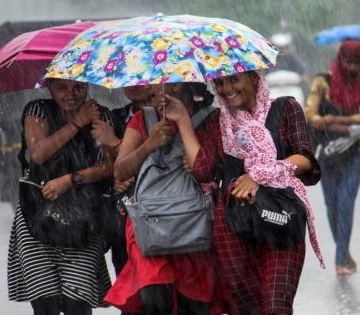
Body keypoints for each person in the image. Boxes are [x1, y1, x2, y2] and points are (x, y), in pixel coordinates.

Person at [163, 71, 323, 314]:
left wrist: (258, 175)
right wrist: (183, 120)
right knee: (245, 308)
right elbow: (202, 169)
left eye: (234, 80)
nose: (226, 88)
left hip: (281, 219)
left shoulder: (286, 108)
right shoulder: (219, 121)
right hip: (233, 227)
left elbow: (306, 160)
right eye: (219, 82)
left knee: (275, 306)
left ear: (254, 79)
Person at [103, 82, 217, 315]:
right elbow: (120, 172)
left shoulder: (210, 118)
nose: (149, 86)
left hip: (193, 226)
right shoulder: (142, 119)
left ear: (178, 84)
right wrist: (149, 145)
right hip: (149, 227)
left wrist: (185, 125)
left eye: (157, 80)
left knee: (195, 305)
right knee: (155, 302)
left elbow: (213, 169)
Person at [7, 78, 113, 315]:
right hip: (37, 219)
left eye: (79, 87)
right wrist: (76, 123)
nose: (71, 95)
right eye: (62, 88)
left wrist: (70, 180)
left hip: (86, 222)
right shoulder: (37, 110)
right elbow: (38, 154)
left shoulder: (102, 115)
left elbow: (111, 167)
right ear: (49, 87)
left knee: (78, 303)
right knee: (45, 303)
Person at [90, 85, 153, 315]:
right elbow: (107, 170)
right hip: (125, 223)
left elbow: (159, 161)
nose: (136, 84)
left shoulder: (167, 115)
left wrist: (113, 142)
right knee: (132, 299)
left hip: (164, 218)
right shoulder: (114, 117)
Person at [305, 39, 360, 276]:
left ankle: (339, 260)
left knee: (346, 202)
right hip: (327, 155)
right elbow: (311, 115)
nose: (352, 68)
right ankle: (344, 251)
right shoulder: (322, 82)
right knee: (331, 206)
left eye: (357, 63)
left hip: (355, 153)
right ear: (340, 60)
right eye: (348, 62)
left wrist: (334, 121)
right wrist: (340, 123)